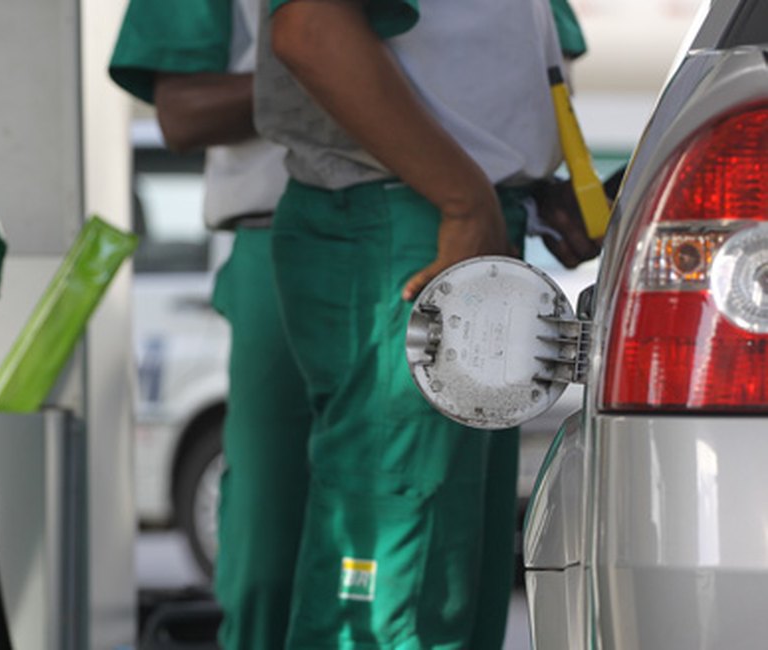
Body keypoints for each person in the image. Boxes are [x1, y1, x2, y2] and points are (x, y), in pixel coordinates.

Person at [253, 0, 599, 646]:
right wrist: (464, 195)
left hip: (458, 212)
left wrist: (524, 185)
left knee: (449, 584)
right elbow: (310, 24)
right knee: (394, 591)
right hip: (412, 214)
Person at [109, 3, 313, 649]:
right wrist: (346, 77)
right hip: (288, 230)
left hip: (466, 235)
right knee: (275, 528)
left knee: (434, 536)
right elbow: (183, 110)